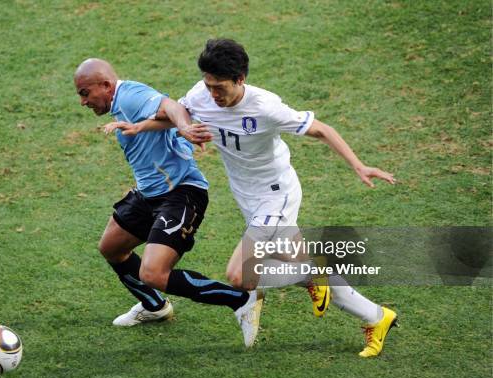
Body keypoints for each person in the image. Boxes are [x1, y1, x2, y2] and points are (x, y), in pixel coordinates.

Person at [106, 39, 399, 358]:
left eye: (220, 87)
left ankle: (314, 275)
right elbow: (177, 117)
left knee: (240, 274)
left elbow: (322, 130)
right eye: (209, 85)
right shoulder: (201, 96)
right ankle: (377, 317)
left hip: (277, 196)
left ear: (240, 79)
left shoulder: (265, 107)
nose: (213, 95)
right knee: (297, 265)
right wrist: (140, 127)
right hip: (248, 199)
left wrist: (359, 165)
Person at [73, 58, 264, 347]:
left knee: (153, 272)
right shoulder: (119, 103)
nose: (83, 102)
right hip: (149, 194)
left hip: (182, 194)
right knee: (111, 248)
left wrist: (185, 128)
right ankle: (155, 308)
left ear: (106, 85)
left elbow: (172, 106)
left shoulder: (131, 96)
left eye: (85, 93)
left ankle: (240, 299)